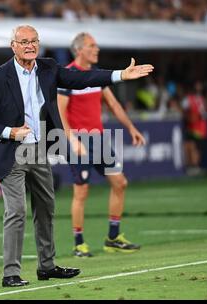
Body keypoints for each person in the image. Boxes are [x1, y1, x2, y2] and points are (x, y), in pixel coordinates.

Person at [0, 25, 154, 287]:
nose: (30, 46)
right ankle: (11, 272)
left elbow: (82, 79)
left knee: (46, 207)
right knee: (17, 211)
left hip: (39, 150)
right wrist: (10, 132)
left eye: (34, 41)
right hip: (11, 152)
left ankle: (47, 266)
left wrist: (120, 75)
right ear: (13, 46)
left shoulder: (48, 68)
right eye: (24, 42)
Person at [57, 32, 145, 258]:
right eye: (91, 46)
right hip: (78, 140)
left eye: (96, 46)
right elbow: (59, 112)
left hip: (98, 140)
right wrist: (72, 139)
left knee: (120, 182)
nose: (96, 49)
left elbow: (114, 105)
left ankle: (113, 238)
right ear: (79, 50)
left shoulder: (97, 75)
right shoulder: (67, 76)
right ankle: (79, 243)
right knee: (82, 191)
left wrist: (132, 128)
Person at [180, 80, 207, 176]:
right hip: (191, 127)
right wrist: (189, 118)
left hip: (201, 128)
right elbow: (184, 111)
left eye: (200, 86)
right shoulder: (188, 99)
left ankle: (196, 166)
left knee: (198, 148)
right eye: (197, 86)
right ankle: (191, 166)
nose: (199, 88)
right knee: (191, 147)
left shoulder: (202, 99)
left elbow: (204, 112)